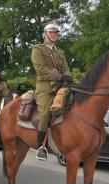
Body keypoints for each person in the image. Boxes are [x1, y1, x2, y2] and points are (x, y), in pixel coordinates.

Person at [31, 21, 72, 160]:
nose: (54, 35)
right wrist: (59, 76)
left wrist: (68, 77)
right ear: (45, 34)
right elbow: (41, 69)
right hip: (46, 88)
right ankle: (41, 146)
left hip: (61, 86)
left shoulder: (60, 52)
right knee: (45, 113)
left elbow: (66, 67)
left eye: (56, 33)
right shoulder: (38, 49)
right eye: (51, 32)